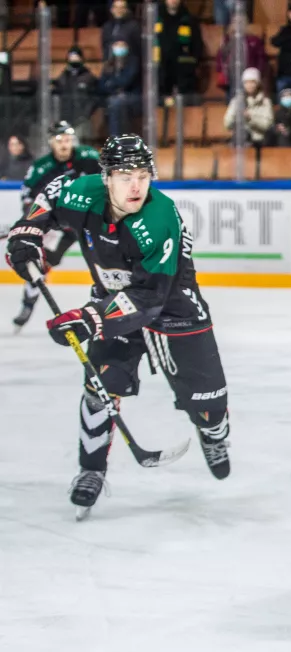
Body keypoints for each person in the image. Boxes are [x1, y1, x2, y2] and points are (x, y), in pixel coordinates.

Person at [4, 136, 232, 519]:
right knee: (100, 388)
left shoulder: (159, 218)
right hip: (111, 300)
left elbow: (150, 298)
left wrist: (90, 318)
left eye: (143, 175)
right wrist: (29, 230)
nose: (136, 186)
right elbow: (51, 195)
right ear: (106, 177)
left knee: (210, 406)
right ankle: (91, 470)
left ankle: (213, 433)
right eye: (126, 176)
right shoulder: (83, 192)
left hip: (174, 307)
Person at [10, 122, 102, 330]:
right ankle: (27, 305)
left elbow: (109, 182)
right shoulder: (41, 167)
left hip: (91, 222)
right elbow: (28, 198)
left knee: (107, 259)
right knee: (39, 263)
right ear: (51, 142)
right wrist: (35, 221)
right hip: (59, 228)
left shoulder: (89, 157)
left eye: (68, 139)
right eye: (59, 140)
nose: (64, 144)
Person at [155, 0, 203, 102]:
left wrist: (190, 66)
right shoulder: (156, 19)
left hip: (184, 75)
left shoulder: (189, 20)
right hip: (161, 73)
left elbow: (197, 47)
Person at [216, 19, 269, 101]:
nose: (238, 25)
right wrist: (221, 70)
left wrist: (257, 72)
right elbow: (221, 57)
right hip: (231, 77)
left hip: (249, 77)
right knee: (232, 102)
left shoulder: (254, 40)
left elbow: (261, 58)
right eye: (235, 22)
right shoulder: (227, 40)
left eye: (241, 22)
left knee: (249, 101)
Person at [98, 40, 143, 137]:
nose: (119, 48)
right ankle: (115, 137)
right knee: (112, 102)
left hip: (134, 96)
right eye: (117, 45)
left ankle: (118, 137)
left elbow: (126, 81)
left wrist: (111, 83)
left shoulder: (133, 63)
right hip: (113, 96)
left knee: (116, 103)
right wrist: (114, 88)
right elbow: (102, 84)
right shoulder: (109, 63)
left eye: (122, 45)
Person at [52, 47, 99, 134]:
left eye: (76, 57)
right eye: (71, 57)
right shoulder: (63, 77)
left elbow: (95, 98)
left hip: (82, 119)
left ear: (81, 59)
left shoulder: (89, 77)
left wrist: (86, 114)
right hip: (65, 119)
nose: (73, 59)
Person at [223, 67, 274, 147]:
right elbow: (227, 125)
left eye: (252, 82)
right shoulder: (236, 101)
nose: (249, 85)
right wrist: (235, 113)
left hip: (261, 140)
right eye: (246, 82)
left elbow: (267, 125)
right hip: (242, 140)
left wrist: (250, 118)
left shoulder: (265, 102)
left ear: (258, 83)